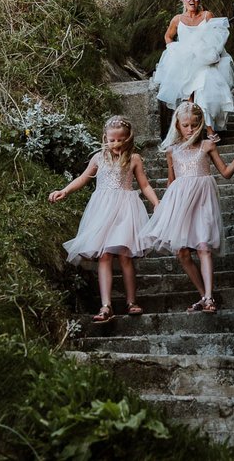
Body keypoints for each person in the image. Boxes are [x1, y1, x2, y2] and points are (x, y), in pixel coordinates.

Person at [139, 101, 234, 314]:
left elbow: (226, 173)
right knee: (182, 253)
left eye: (194, 124)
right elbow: (172, 181)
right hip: (180, 202)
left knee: (203, 246)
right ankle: (202, 294)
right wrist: (162, 207)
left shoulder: (207, 146)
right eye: (185, 125)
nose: (190, 129)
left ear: (200, 124)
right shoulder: (172, 151)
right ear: (178, 126)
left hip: (202, 200)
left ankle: (209, 297)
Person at [49, 116, 159, 323]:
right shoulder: (99, 158)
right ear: (105, 138)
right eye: (112, 140)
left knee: (125, 254)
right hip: (102, 209)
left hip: (126, 209)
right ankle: (106, 305)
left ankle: (131, 301)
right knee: (105, 254)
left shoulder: (134, 158)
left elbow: (144, 185)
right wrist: (65, 191)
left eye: (121, 140)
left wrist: (156, 203)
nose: (116, 144)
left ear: (128, 139)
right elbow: (83, 178)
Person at [150, 0, 234, 142]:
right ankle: (191, 134)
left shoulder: (207, 16)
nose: (192, 0)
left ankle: (210, 131)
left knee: (204, 94)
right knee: (189, 100)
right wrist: (174, 51)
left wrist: (213, 52)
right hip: (186, 64)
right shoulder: (177, 19)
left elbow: (217, 36)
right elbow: (168, 37)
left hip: (205, 63)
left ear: (200, 0)